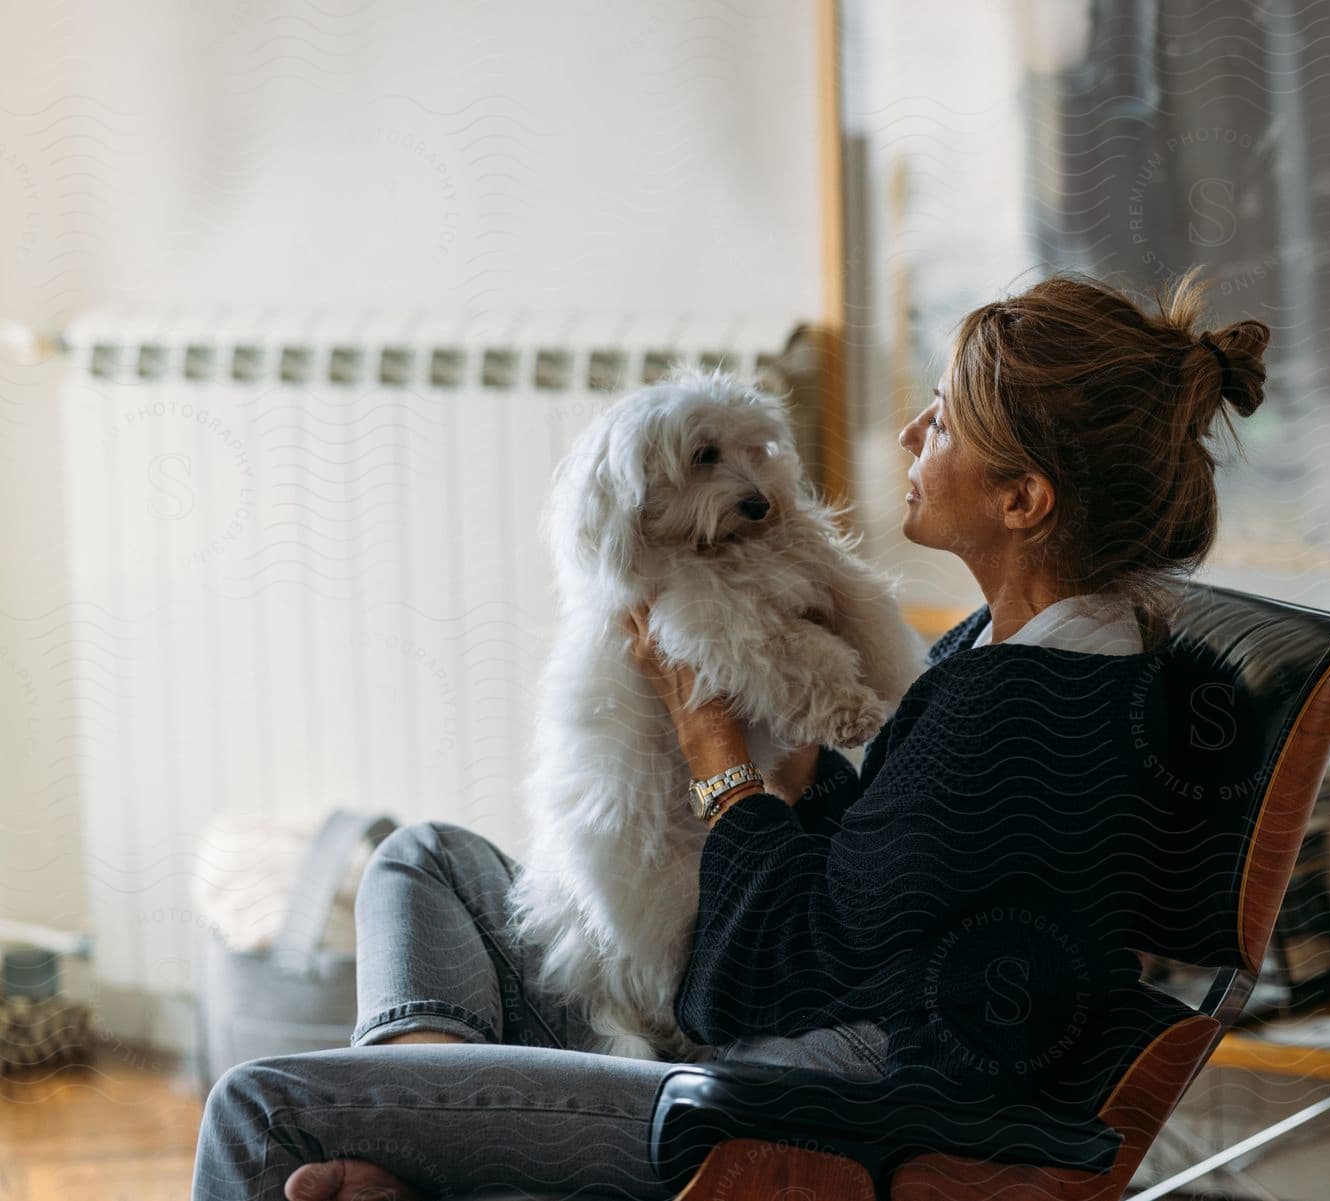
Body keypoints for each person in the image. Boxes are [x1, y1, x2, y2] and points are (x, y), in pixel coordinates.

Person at [188, 265, 1269, 1201]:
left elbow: (753, 982)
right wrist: (792, 773)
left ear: (1025, 497)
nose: (908, 435)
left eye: (940, 420)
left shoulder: (1020, 710)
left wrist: (711, 737)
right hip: (794, 1035)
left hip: (788, 1097)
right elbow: (897, 880)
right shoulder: (1061, 660)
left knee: (264, 1106)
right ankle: (420, 1134)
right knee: (424, 859)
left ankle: (412, 1135)